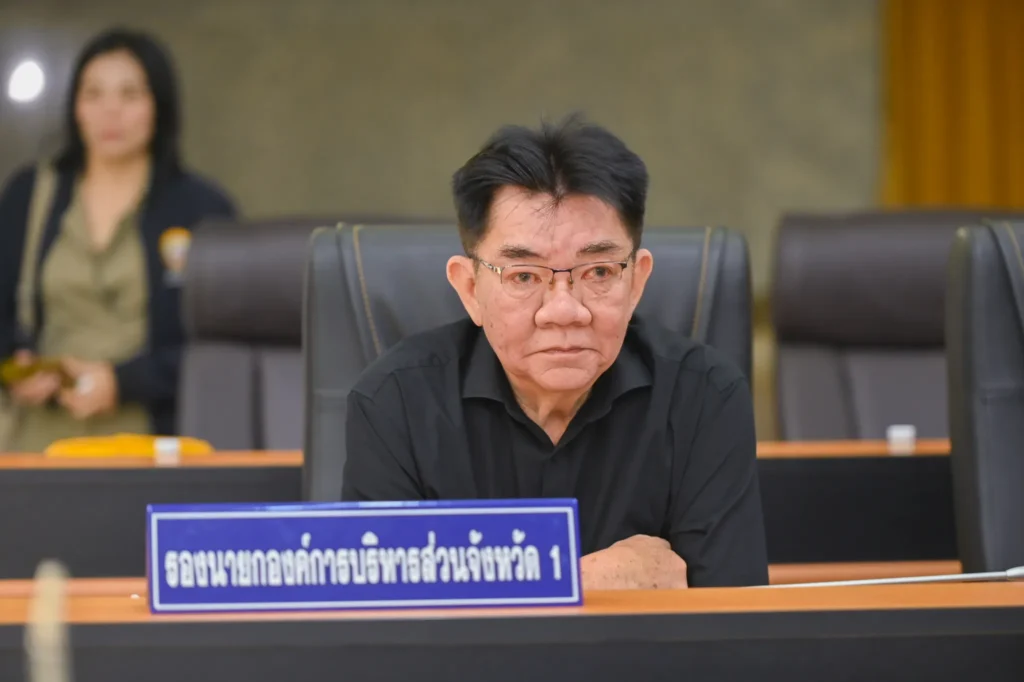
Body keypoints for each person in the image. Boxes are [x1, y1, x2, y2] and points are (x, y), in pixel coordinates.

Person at [341, 115, 768, 589]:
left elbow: (735, 617)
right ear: (469, 288)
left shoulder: (705, 398)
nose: (564, 310)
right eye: (524, 276)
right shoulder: (395, 402)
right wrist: (583, 582)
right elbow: (384, 612)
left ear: (636, 282)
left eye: (599, 272)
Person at [0, 28, 237, 451]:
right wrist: (16, 363)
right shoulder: (29, 195)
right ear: (75, 108)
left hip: (151, 441)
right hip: (35, 440)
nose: (111, 111)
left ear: (158, 106)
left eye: (130, 95)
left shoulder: (201, 207)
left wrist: (123, 382)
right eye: (93, 94)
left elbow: (223, 346)